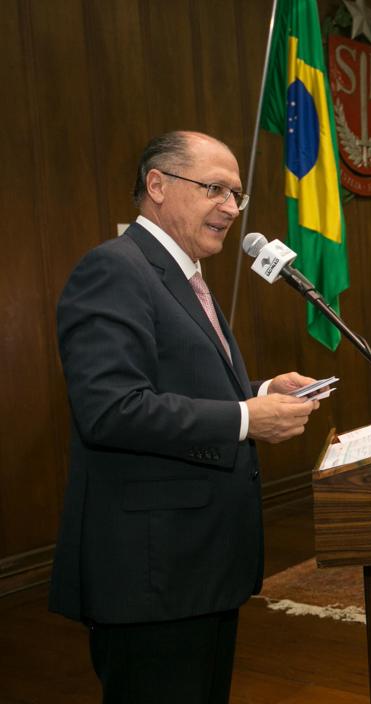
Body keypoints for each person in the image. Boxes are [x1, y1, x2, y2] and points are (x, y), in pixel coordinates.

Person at [49, 130, 321, 704]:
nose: (230, 207)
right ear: (157, 186)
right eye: (215, 189)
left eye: (237, 195)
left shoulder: (182, 275)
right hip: (153, 573)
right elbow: (112, 409)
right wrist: (247, 418)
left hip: (197, 565)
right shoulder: (115, 269)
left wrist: (262, 389)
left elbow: (177, 385)